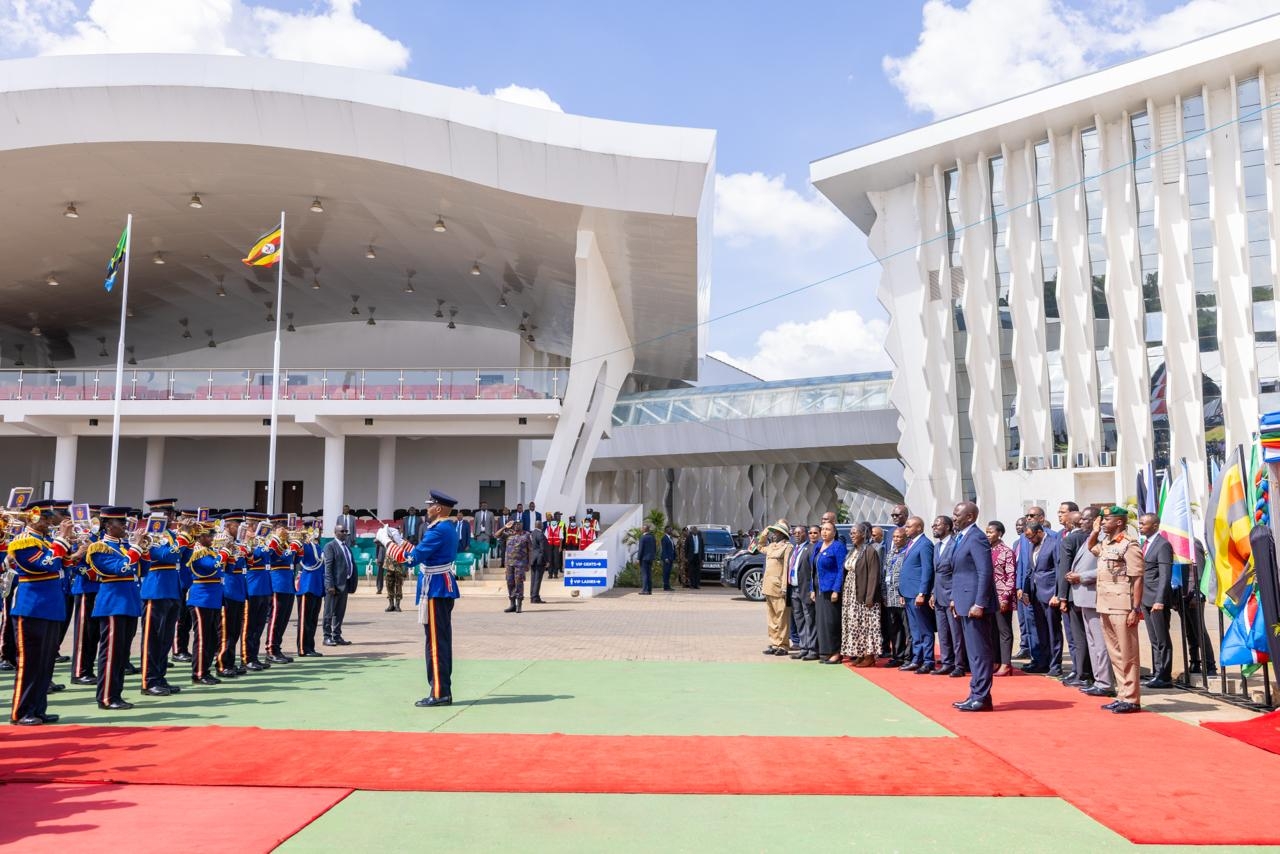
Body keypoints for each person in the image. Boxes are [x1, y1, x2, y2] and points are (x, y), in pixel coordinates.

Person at [8, 501, 82, 725]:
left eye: (51, 519)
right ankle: (21, 712)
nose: (50, 522)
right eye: (46, 519)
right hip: (32, 607)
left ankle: (38, 709)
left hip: (51, 606)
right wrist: (61, 541)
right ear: (33, 518)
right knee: (30, 664)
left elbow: (64, 565)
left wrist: (74, 548)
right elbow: (46, 564)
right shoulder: (24, 541)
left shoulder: (47, 542)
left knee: (45, 663)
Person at [387, 490, 460, 708]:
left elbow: (411, 559)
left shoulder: (438, 530)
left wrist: (387, 543)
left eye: (430, 505)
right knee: (438, 641)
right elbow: (421, 551)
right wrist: (399, 540)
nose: (427, 509)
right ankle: (441, 689)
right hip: (439, 587)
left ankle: (439, 692)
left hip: (436, 588)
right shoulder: (445, 527)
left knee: (436, 643)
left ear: (438, 508)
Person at [1088, 506, 1144, 714]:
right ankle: (1122, 695)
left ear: (1119, 522)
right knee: (1115, 653)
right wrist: (1095, 531)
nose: (1103, 522)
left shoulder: (1129, 544)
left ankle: (1132, 699)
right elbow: (1091, 547)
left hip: (1123, 606)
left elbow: (1137, 578)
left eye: (1107, 519)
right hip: (1105, 603)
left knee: (1128, 654)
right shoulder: (1107, 543)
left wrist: (1135, 608)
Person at [87, 507, 143, 711]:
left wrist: (144, 549)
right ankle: (106, 697)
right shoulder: (100, 548)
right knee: (111, 653)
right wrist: (136, 548)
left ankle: (116, 694)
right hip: (113, 604)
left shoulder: (126, 546)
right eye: (121, 523)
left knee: (122, 653)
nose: (126, 526)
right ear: (108, 525)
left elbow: (142, 569)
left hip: (129, 603)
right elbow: (120, 568)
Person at [950, 501, 997, 712]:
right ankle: (977, 694)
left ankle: (981, 696)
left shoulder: (977, 537)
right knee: (973, 653)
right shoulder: (962, 537)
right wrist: (955, 598)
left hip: (975, 605)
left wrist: (979, 603)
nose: (954, 517)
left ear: (969, 517)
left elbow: (984, 572)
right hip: (964, 602)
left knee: (980, 652)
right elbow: (960, 572)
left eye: (957, 514)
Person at [1066, 507, 1115, 699]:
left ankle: (1105, 683)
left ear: (1097, 520)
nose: (1081, 522)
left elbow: (1106, 568)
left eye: (1086, 519)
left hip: (1095, 595)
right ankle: (1098, 680)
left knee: (1100, 643)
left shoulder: (1105, 539)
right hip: (1084, 598)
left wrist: (1081, 576)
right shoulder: (1091, 538)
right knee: (1093, 642)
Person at [139, 500, 185, 697]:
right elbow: (164, 555)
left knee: (165, 639)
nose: (172, 518)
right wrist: (184, 539)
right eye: (169, 514)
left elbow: (183, 557)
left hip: (172, 589)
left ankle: (159, 677)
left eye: (172, 514)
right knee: (153, 639)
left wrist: (189, 539)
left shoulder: (171, 535)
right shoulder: (150, 535)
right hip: (156, 589)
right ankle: (148, 681)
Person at [1019, 520, 1063, 676]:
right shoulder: (1033, 545)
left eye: (1030, 537)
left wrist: (1058, 594)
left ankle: (1055, 665)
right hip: (1035, 594)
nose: (1029, 540)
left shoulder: (1053, 543)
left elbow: (1059, 570)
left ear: (1039, 532)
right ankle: (1043, 662)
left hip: (1050, 594)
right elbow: (1030, 570)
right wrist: (1025, 591)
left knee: (1053, 631)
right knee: (1041, 631)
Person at [1057, 507, 1094, 688]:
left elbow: (1064, 570)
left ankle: (1082, 673)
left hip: (1073, 593)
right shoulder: (1093, 538)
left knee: (1078, 637)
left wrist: (1062, 597)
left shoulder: (1069, 539)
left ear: (1071, 524)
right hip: (1092, 592)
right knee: (1092, 637)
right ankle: (1090, 672)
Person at [1137, 513, 1175, 689]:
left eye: (1143, 524)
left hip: (1156, 600)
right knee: (1153, 639)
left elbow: (1165, 575)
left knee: (1162, 639)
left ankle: (1165, 676)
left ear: (1155, 526)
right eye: (1140, 523)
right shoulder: (1144, 544)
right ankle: (1157, 672)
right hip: (1145, 598)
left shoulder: (1163, 545)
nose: (1140, 526)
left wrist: (1160, 600)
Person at [898, 515, 936, 673]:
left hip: (917, 594)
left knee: (924, 628)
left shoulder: (925, 544)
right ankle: (916, 659)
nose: (905, 529)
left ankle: (928, 661)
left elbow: (927, 570)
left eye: (909, 526)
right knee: (914, 630)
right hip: (908, 593)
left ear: (919, 528)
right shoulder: (911, 543)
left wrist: (922, 592)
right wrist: (902, 592)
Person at [841, 521, 882, 667]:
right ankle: (859, 653)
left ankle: (869, 656)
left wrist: (869, 597)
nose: (851, 535)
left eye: (854, 533)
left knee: (866, 625)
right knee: (855, 624)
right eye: (851, 533)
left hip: (864, 595)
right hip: (851, 593)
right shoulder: (853, 551)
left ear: (863, 534)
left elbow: (873, 576)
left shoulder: (870, 551)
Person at [187, 525, 224, 685]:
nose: (212, 539)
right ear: (200, 537)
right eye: (209, 536)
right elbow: (211, 566)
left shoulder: (211, 551)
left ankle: (206, 670)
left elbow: (224, 568)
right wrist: (225, 552)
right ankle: (199, 673)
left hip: (213, 598)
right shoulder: (198, 552)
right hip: (201, 599)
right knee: (202, 638)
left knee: (211, 638)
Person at [930, 515, 965, 677]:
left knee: (956, 634)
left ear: (948, 527)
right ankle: (946, 663)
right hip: (938, 596)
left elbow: (958, 573)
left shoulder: (955, 545)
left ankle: (960, 664)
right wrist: (932, 592)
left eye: (938, 524)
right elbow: (936, 573)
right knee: (943, 633)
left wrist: (955, 597)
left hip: (951, 596)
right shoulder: (937, 547)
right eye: (933, 525)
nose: (934, 527)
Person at [216, 512, 248, 678]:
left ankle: (230, 662)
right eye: (237, 525)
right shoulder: (221, 540)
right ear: (228, 525)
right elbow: (222, 564)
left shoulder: (238, 542)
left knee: (235, 629)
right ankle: (222, 664)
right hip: (227, 587)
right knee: (226, 630)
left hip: (238, 588)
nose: (239, 528)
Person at [812, 521, 848, 664]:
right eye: (823, 529)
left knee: (832, 622)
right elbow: (813, 570)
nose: (824, 532)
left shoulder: (838, 546)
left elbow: (841, 570)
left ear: (834, 532)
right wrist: (812, 589)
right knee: (822, 623)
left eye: (828, 529)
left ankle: (836, 652)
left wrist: (836, 590)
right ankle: (825, 651)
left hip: (831, 591)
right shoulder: (819, 546)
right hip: (819, 590)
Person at [242, 512, 274, 671]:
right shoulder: (246, 541)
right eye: (255, 524)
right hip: (252, 586)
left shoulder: (261, 541)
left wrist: (263, 542)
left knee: (260, 625)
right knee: (250, 625)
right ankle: (246, 658)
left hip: (264, 586)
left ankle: (254, 656)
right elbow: (255, 557)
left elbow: (270, 555)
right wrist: (257, 543)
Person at [986, 521, 1017, 676]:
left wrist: (1005, 597)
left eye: (990, 532)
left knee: (1004, 630)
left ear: (999, 533)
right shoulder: (986, 550)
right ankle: (996, 661)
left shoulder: (1007, 552)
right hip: (989, 597)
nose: (988, 535)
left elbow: (1011, 577)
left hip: (1002, 596)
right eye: (986, 532)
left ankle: (1006, 664)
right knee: (992, 630)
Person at [265, 520, 296, 664]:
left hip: (288, 584)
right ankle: (271, 649)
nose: (286, 531)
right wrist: (290, 550)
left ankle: (277, 648)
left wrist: (297, 547)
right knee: (275, 619)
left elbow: (296, 559)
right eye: (282, 528)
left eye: (286, 528)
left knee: (283, 619)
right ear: (275, 530)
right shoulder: (272, 542)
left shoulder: (285, 543)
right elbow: (274, 558)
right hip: (278, 583)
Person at [761, 521, 793, 655]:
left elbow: (786, 568)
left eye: (776, 532)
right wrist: (765, 532)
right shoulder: (771, 546)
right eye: (773, 532)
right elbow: (758, 546)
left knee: (782, 618)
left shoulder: (787, 547)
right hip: (768, 586)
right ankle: (774, 643)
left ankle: (783, 645)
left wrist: (785, 587)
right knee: (772, 618)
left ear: (783, 534)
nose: (774, 534)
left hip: (779, 587)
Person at [322, 522, 356, 646]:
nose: (345, 533)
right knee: (329, 612)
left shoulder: (346, 547)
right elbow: (328, 567)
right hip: (334, 586)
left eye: (346, 531)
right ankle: (327, 636)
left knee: (340, 612)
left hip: (344, 584)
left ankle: (337, 635)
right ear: (335, 532)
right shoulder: (330, 546)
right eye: (342, 531)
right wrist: (330, 585)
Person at [295, 522, 325, 657]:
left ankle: (310, 647)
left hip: (317, 586)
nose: (318, 533)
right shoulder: (306, 546)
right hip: (307, 586)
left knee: (313, 620)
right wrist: (303, 539)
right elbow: (300, 555)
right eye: (314, 530)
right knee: (305, 620)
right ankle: (303, 648)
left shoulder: (317, 546)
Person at [880, 526, 909, 666]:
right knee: (894, 628)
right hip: (890, 597)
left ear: (905, 539)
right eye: (894, 537)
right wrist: (884, 594)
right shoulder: (890, 553)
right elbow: (885, 574)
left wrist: (904, 593)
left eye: (899, 537)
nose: (896, 539)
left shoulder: (907, 553)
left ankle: (908, 657)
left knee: (907, 629)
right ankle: (897, 656)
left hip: (902, 597)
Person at [502, 519, 533, 612]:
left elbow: (530, 550)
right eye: (515, 524)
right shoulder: (508, 534)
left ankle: (519, 604)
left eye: (519, 524)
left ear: (522, 525)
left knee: (519, 583)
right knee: (510, 583)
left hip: (520, 563)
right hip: (509, 564)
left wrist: (529, 563)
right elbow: (496, 535)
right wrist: (505, 527)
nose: (517, 526)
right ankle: (512, 604)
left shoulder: (526, 535)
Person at [528, 521, 549, 604]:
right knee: (537, 579)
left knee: (533, 579)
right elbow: (543, 549)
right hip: (539, 560)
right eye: (542, 524)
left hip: (533, 559)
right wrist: (547, 560)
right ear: (540, 526)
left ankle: (532, 595)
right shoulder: (540, 534)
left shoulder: (532, 534)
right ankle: (535, 597)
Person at [636, 523, 657, 595]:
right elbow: (655, 548)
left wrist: (638, 558)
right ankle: (649, 590)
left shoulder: (643, 537)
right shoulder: (652, 537)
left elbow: (641, 549)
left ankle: (645, 590)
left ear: (644, 529)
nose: (641, 529)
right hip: (650, 558)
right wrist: (653, 556)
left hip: (644, 559)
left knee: (644, 574)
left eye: (642, 528)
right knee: (649, 574)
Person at [472, 501, 494, 568]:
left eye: (485, 505)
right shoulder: (477, 513)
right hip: (479, 534)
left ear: (487, 506)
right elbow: (475, 523)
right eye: (483, 505)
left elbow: (492, 524)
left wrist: (492, 532)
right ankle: (479, 563)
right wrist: (474, 533)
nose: (484, 506)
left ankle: (485, 563)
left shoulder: (491, 513)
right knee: (479, 549)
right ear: (480, 506)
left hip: (487, 534)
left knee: (486, 549)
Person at [660, 526, 677, 592]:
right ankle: (666, 586)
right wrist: (665, 558)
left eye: (671, 529)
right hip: (667, 559)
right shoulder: (664, 538)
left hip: (671, 558)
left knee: (668, 572)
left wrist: (674, 556)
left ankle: (668, 586)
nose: (671, 530)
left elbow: (673, 548)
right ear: (666, 530)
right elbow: (664, 549)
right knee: (666, 572)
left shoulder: (670, 538)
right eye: (669, 529)